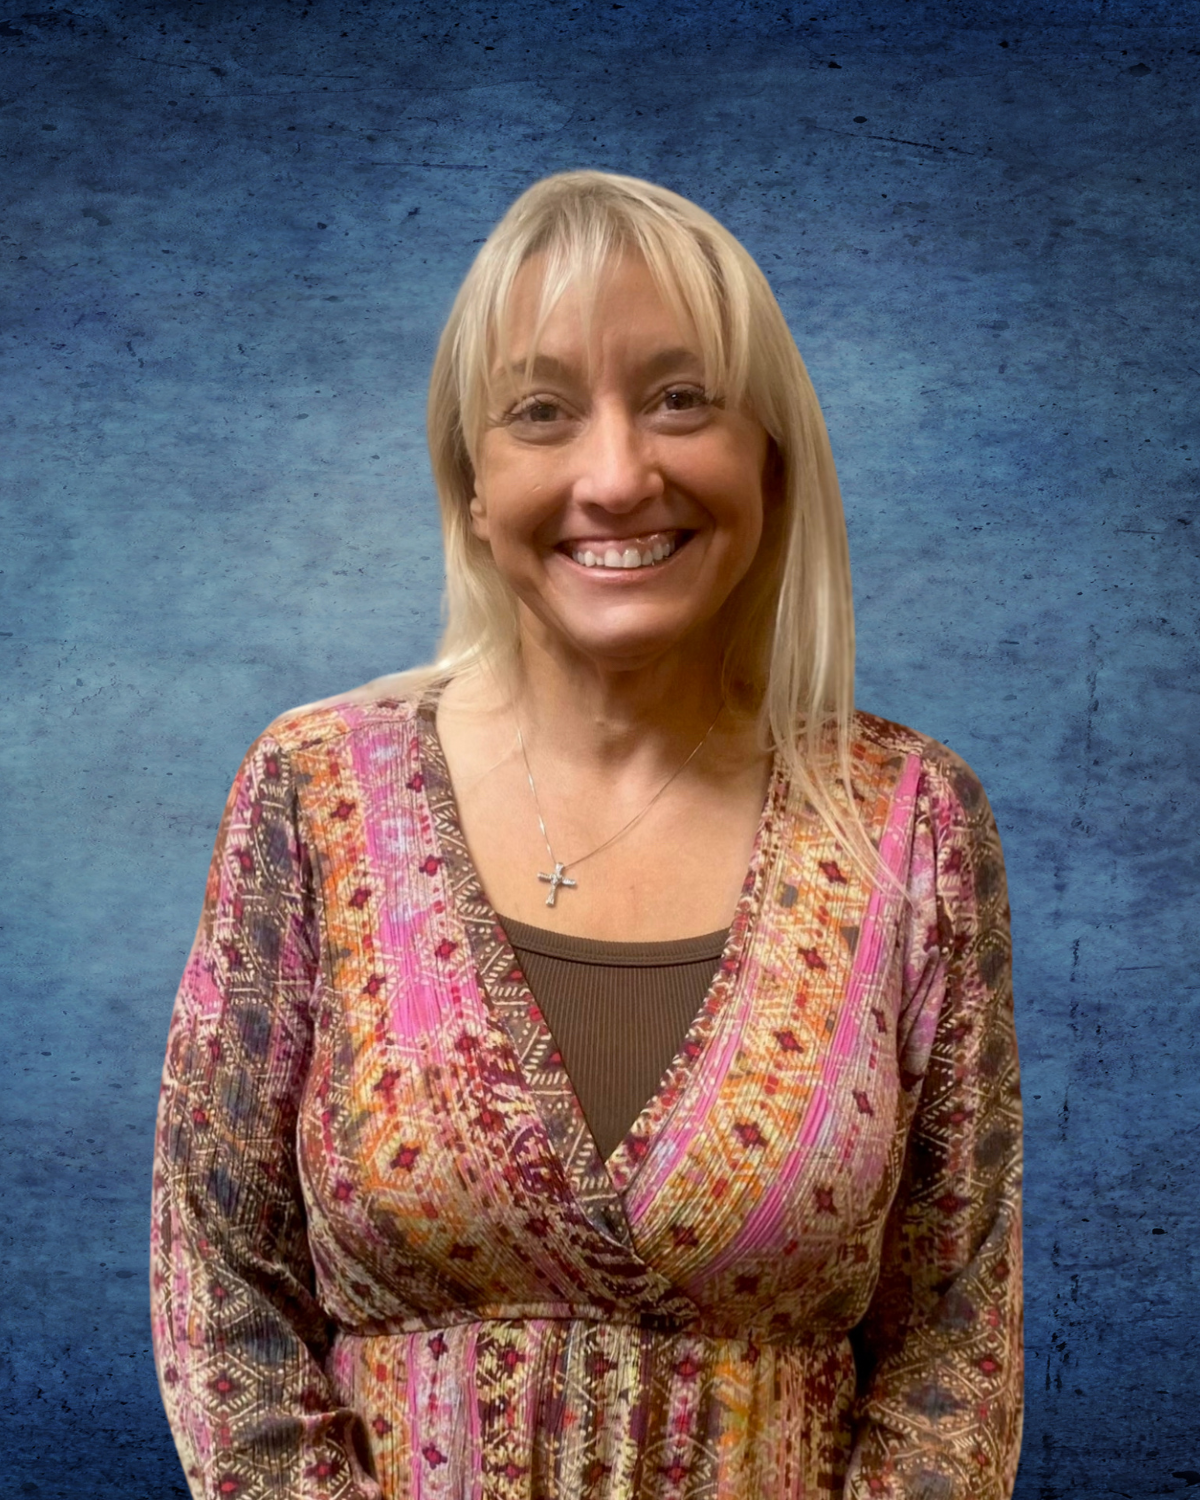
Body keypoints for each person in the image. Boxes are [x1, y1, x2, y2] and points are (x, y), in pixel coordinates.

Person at [150, 170, 1023, 1500]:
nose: (618, 475)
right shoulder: (316, 791)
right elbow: (220, 1281)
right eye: (543, 413)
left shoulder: (910, 827)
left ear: (771, 456)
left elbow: (954, 1344)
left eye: (682, 398)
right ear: (473, 481)